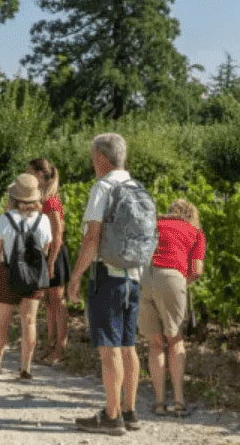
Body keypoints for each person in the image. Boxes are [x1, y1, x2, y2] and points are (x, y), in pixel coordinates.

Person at [66, 133, 142, 435]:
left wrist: (76, 276)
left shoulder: (104, 188)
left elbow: (92, 237)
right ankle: (129, 410)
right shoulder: (137, 188)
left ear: (101, 158)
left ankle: (111, 416)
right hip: (133, 277)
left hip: (107, 277)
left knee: (108, 348)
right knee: (128, 345)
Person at [0, 174, 51, 381]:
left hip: (8, 271)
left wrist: (0, 265)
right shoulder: (43, 220)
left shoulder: (5, 219)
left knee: (2, 321)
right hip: (34, 275)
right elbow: (45, 250)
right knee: (29, 322)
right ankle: (26, 368)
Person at [141, 199, 206, 418]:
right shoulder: (195, 232)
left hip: (143, 277)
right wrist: (181, 283)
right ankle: (179, 402)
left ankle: (159, 403)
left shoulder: (155, 223)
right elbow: (196, 270)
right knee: (175, 340)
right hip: (171, 275)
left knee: (155, 343)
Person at [28, 158, 68, 366]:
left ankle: (60, 347)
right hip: (48, 254)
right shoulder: (43, 200)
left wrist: (51, 262)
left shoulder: (51, 202)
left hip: (56, 254)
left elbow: (58, 234)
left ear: (41, 175)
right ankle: (51, 344)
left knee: (58, 302)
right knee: (49, 302)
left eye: (31, 172)